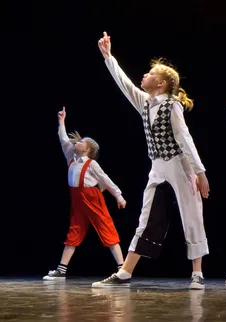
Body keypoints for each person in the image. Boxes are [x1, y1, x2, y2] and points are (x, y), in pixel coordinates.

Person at [93, 32, 210, 289]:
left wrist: (200, 172)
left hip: (181, 165)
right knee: (146, 217)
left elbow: (185, 139)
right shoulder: (146, 103)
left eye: (150, 73)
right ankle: (125, 271)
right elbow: (125, 84)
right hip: (157, 166)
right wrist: (109, 57)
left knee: (191, 215)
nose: (144, 75)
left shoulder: (172, 105)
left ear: (162, 84)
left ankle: (197, 274)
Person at [44, 106, 127, 281]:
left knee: (106, 228)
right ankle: (61, 271)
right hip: (77, 200)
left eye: (81, 142)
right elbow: (63, 139)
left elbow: (106, 180)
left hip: (92, 199)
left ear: (87, 150)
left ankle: (122, 268)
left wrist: (118, 196)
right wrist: (61, 121)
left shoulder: (91, 164)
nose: (77, 143)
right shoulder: (71, 157)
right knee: (74, 231)